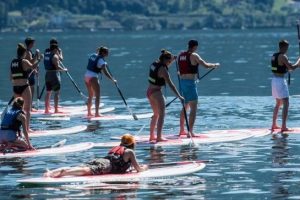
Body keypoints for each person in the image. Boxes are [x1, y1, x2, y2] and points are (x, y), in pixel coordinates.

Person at [43, 134, 147, 178]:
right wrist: (145, 168)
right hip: (106, 165)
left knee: (81, 167)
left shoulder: (117, 148)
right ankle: (64, 173)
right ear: (132, 144)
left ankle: (52, 172)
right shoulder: (130, 152)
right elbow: (138, 169)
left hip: (101, 160)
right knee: (86, 171)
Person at [178, 40, 219, 137]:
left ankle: (182, 130)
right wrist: (215, 65)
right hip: (190, 84)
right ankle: (190, 132)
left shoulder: (180, 55)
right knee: (194, 108)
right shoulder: (194, 55)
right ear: (195, 46)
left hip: (182, 83)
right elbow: (205, 65)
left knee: (185, 106)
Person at [147, 49, 184, 142]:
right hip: (156, 93)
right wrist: (179, 96)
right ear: (166, 60)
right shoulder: (164, 70)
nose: (170, 63)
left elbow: (164, 66)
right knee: (162, 114)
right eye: (170, 61)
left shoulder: (155, 63)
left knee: (156, 115)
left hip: (149, 91)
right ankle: (159, 137)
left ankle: (152, 136)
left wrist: (173, 59)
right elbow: (171, 85)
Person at [271, 40, 300, 132]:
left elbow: (287, 68)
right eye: (287, 48)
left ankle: (274, 124)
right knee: (286, 103)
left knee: (278, 103)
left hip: (274, 81)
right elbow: (291, 68)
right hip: (280, 81)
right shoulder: (283, 56)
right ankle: (283, 126)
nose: (287, 50)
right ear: (283, 47)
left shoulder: (274, 55)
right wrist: (299, 62)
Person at [10, 43, 40, 132]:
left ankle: (16, 129)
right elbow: (33, 66)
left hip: (15, 87)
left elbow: (10, 77)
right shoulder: (24, 61)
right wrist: (39, 59)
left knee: (17, 110)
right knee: (27, 108)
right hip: (24, 87)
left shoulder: (13, 62)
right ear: (24, 53)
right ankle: (27, 129)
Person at [84, 46, 116, 117]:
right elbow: (106, 73)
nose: (108, 53)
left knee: (90, 95)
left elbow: (97, 53)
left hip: (86, 76)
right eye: (107, 52)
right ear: (103, 53)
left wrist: (99, 50)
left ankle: (89, 113)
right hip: (93, 77)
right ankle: (97, 113)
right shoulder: (101, 61)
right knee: (97, 96)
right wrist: (112, 79)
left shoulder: (93, 55)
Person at [44, 42, 67, 113]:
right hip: (54, 75)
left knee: (48, 92)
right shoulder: (55, 56)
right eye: (57, 49)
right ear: (54, 49)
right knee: (56, 93)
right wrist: (64, 69)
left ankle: (46, 109)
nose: (57, 50)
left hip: (47, 74)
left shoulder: (46, 55)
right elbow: (57, 67)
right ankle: (56, 110)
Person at [24, 37, 41, 110]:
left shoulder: (28, 51)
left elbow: (31, 64)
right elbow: (30, 62)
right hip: (29, 74)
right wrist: (36, 54)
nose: (34, 44)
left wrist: (35, 71)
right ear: (30, 43)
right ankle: (29, 107)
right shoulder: (27, 52)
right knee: (31, 90)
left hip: (30, 72)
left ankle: (29, 105)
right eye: (33, 43)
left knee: (30, 90)